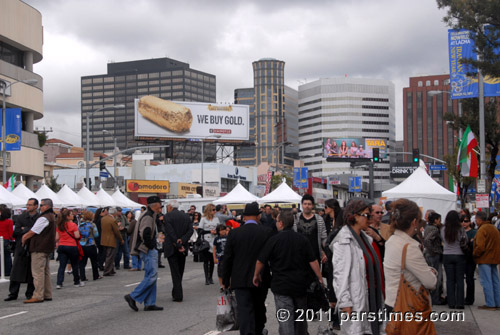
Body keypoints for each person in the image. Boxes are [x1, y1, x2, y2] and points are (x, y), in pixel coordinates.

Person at [254, 210, 323, 335]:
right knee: (300, 318)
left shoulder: (274, 240)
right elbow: (313, 261)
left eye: (277, 221)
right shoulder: (302, 239)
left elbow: (260, 261)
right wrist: (319, 277)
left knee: (285, 319)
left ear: (281, 223)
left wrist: (256, 275)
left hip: (281, 286)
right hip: (300, 285)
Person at [331, 199, 385, 335]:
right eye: (367, 215)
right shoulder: (344, 241)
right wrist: (344, 303)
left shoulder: (366, 238)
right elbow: (340, 275)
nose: (370, 218)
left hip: (373, 295)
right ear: (354, 216)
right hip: (357, 299)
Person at [384, 199, 437, 332]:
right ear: (414, 222)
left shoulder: (391, 240)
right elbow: (431, 282)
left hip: (392, 303)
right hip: (409, 306)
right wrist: (432, 272)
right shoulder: (409, 247)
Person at [223, 202, 272, 335]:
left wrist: (225, 280)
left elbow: (227, 258)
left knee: (244, 310)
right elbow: (272, 256)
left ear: (244, 217)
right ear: (258, 216)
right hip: (261, 277)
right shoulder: (266, 232)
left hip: (240, 278)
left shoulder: (234, 233)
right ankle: (258, 329)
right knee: (259, 306)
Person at [125, 196, 164, 312]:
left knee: (150, 276)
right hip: (147, 249)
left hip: (145, 248)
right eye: (159, 204)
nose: (161, 206)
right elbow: (145, 233)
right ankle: (133, 296)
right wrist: (152, 245)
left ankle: (150, 303)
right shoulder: (148, 216)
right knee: (152, 275)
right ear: (155, 205)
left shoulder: (149, 214)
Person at [21, 198, 56, 303]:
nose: (40, 207)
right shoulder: (52, 217)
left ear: (47, 206)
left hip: (39, 247)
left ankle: (38, 295)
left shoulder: (44, 218)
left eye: (41, 205)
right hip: (46, 247)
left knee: (37, 272)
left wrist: (25, 237)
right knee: (45, 271)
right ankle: (47, 293)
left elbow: (33, 231)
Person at [5, 198, 39, 301]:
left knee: (31, 272)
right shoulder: (21, 217)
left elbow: (38, 231)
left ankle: (29, 293)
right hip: (21, 247)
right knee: (16, 271)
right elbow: (16, 232)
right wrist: (29, 229)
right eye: (27, 204)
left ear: (35, 206)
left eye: (30, 205)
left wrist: (27, 229)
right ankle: (13, 293)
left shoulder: (39, 218)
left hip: (33, 246)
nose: (28, 206)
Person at [163, 199, 193, 302]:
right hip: (183, 246)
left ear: (170, 207)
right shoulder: (186, 216)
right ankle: (176, 291)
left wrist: (177, 241)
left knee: (175, 271)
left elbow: (170, 231)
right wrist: (182, 240)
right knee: (180, 270)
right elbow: (190, 230)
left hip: (172, 246)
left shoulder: (167, 216)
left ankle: (178, 294)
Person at [473, 210, 500, 310]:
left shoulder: (482, 230)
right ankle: (498, 302)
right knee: (495, 281)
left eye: (476, 219)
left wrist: (474, 254)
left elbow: (480, 246)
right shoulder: (494, 228)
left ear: (479, 220)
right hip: (495, 258)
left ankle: (490, 303)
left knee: (486, 281)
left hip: (484, 258)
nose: (475, 221)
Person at [441, 210, 466, 309]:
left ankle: (451, 302)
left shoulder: (443, 229)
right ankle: (460, 303)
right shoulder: (460, 229)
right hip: (459, 254)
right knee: (459, 279)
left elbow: (443, 240)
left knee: (450, 280)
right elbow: (465, 240)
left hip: (447, 255)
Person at [293, 194, 327, 266]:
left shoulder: (319, 219)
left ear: (312, 206)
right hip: (298, 255)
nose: (307, 206)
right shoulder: (295, 218)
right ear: (302, 205)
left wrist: (324, 251)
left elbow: (324, 237)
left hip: (315, 256)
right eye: (305, 204)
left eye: (309, 204)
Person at [55, 209, 83, 289]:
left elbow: (56, 238)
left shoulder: (59, 225)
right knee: (74, 264)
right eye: (71, 214)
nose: (73, 215)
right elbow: (77, 236)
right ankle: (76, 281)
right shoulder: (73, 225)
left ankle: (59, 283)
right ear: (67, 216)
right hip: (71, 246)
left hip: (62, 245)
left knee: (62, 266)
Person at [423, 212, 446, 305]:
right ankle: (436, 298)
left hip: (429, 254)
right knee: (437, 276)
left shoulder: (427, 227)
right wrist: (433, 251)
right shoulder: (434, 229)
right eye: (439, 219)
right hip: (434, 255)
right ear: (435, 220)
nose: (440, 221)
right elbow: (427, 240)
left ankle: (433, 297)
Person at [198, 203, 220, 285]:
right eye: (213, 210)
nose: (215, 211)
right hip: (206, 241)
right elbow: (200, 230)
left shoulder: (216, 219)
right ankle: (206, 278)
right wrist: (209, 231)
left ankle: (210, 277)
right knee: (206, 260)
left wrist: (216, 231)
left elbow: (219, 228)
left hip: (214, 240)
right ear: (209, 210)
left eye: (215, 210)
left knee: (212, 260)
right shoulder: (203, 219)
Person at [78, 210, 101, 281]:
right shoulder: (92, 225)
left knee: (82, 262)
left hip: (82, 244)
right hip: (91, 244)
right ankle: (95, 275)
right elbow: (96, 234)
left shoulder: (81, 224)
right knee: (94, 261)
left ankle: (82, 276)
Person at [101, 207, 124, 276]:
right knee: (110, 256)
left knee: (108, 255)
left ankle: (111, 269)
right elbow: (116, 231)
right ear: (114, 213)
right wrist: (121, 239)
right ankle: (107, 270)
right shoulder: (112, 220)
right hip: (111, 239)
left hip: (104, 239)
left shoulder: (103, 218)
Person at [462, 214, 476, 305]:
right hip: (461, 258)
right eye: (462, 221)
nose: (463, 223)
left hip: (470, 259)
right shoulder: (459, 232)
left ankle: (470, 298)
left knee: (469, 278)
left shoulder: (474, 232)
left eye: (466, 221)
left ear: (470, 222)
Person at [213, 224, 228, 291]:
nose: (223, 231)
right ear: (218, 231)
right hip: (220, 257)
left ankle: (228, 285)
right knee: (220, 271)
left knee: (228, 270)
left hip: (227, 256)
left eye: (224, 230)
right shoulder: (216, 238)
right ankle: (222, 285)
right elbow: (214, 249)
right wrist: (214, 258)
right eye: (221, 230)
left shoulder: (228, 237)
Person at [0, 205, 14, 276]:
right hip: (6, 240)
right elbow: (11, 232)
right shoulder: (9, 221)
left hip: (1, 239)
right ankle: (7, 271)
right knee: (7, 256)